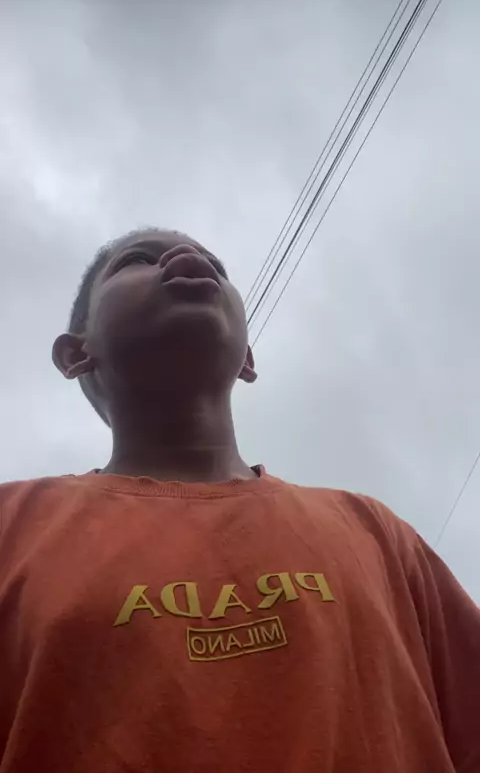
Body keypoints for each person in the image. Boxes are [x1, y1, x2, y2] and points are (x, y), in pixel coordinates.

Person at [0, 227, 479, 773]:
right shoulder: (12, 526)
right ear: (75, 353)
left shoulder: (375, 531)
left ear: (247, 359)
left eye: (216, 265)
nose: (185, 257)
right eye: (137, 260)